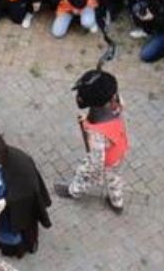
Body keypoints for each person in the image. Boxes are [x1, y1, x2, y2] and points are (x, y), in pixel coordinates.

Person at [54, 69, 129, 214]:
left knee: (83, 174)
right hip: (118, 151)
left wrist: (95, 176)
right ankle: (117, 202)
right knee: (114, 179)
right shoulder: (116, 104)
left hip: (104, 159)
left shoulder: (95, 134)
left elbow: (95, 162)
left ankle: (74, 191)